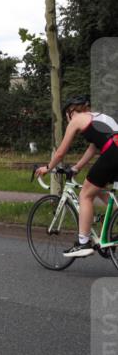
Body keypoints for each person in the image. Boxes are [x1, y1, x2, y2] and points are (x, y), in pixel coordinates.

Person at [35, 96, 118, 257]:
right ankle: (110, 225)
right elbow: (93, 148)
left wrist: (47, 168)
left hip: (113, 153)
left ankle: (83, 243)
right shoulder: (100, 117)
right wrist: (77, 167)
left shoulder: (76, 120)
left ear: (70, 112)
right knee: (98, 188)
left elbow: (60, 153)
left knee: (85, 195)